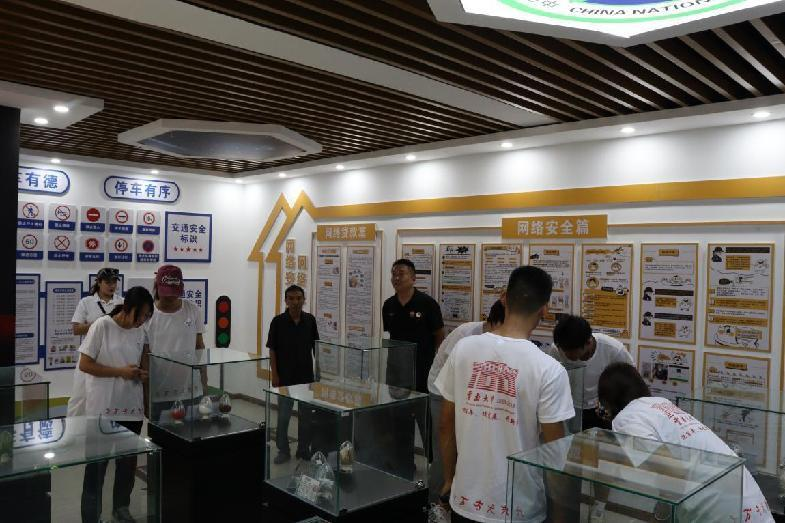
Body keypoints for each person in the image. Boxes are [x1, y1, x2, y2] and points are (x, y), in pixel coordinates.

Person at [435, 266, 575, 523]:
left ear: (503, 297)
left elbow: (445, 423)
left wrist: (449, 479)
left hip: (465, 499)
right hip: (518, 508)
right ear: (545, 309)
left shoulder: (463, 349)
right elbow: (555, 454)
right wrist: (561, 516)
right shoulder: (549, 370)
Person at [597, 363, 774, 523]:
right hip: (750, 503)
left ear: (609, 402)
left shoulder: (627, 418)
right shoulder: (659, 404)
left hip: (718, 509)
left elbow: (672, 474)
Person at [78, 286, 153, 523]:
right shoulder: (102, 326)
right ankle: (91, 516)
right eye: (141, 315)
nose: (142, 320)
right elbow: (85, 364)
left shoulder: (141, 332)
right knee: (96, 468)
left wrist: (142, 376)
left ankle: (121, 507)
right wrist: (120, 372)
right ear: (129, 308)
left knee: (127, 466)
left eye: (147, 316)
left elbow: (144, 366)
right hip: (102, 410)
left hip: (131, 410)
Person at [426, 300, 504, 502]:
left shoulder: (500, 341)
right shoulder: (466, 333)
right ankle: (435, 502)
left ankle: (459, 498)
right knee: (443, 449)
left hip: (466, 394)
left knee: (463, 448)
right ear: (493, 321)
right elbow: (452, 372)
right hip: (441, 390)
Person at [143, 265, 206, 423]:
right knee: (161, 435)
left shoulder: (193, 310)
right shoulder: (148, 315)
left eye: (174, 293)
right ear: (157, 287)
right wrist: (146, 392)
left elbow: (199, 347)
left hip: (191, 389)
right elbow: (144, 356)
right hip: (160, 391)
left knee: (193, 433)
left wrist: (204, 381)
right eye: (166, 293)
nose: (170, 298)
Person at [267, 284, 319, 464]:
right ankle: (283, 450)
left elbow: (316, 348)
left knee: (306, 417)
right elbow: (272, 350)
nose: (295, 302)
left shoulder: (310, 320)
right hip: (285, 377)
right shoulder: (278, 322)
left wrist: (318, 374)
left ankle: (303, 449)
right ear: (286, 301)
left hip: (306, 377)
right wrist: (275, 374)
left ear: (304, 300)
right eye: (291, 298)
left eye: (299, 298)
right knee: (283, 416)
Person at [68, 268, 124, 417]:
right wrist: (100, 324)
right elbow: (76, 329)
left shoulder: (122, 302)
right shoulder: (86, 302)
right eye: (108, 282)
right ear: (99, 282)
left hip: (112, 356)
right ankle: (73, 429)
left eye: (114, 282)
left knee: (108, 397)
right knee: (79, 397)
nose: (112, 285)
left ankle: (102, 428)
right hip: (89, 354)